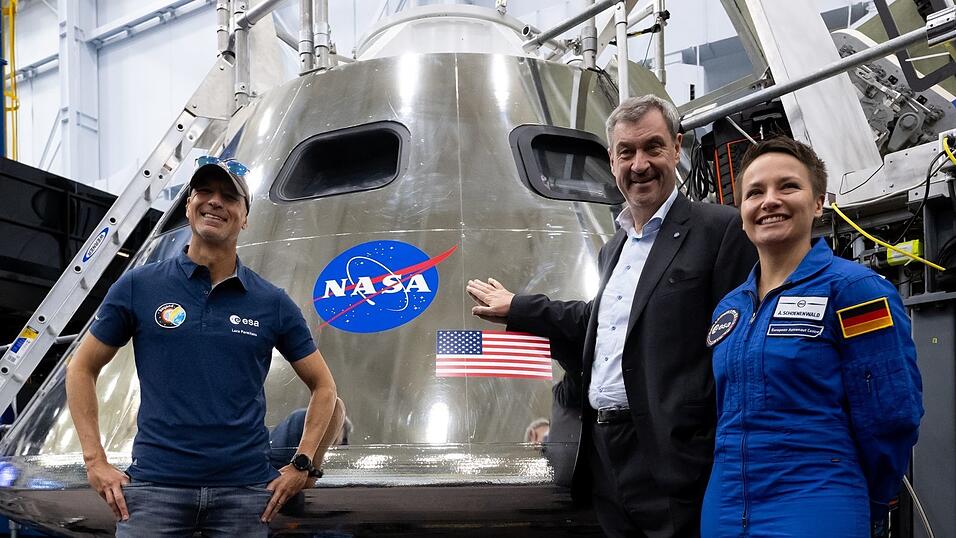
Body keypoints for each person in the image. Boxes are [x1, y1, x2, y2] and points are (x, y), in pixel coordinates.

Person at [466, 95, 756, 537]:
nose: (639, 165)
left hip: (676, 463)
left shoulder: (720, 230)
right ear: (611, 160)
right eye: (627, 153)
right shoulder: (614, 248)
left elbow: (740, 353)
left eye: (653, 148)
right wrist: (519, 308)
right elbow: (599, 327)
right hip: (606, 457)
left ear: (677, 148)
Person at [66, 156, 338, 537]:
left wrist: (302, 464)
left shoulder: (271, 302)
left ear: (244, 218)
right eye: (204, 192)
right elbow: (80, 368)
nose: (214, 201)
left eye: (229, 197)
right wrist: (95, 461)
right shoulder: (138, 287)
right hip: (155, 492)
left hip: (243, 498)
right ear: (189, 204)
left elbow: (324, 387)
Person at [700, 137, 923, 537]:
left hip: (817, 501)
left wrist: (870, 499)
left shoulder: (856, 291)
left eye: (788, 186)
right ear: (741, 212)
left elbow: (891, 415)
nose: (769, 201)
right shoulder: (729, 309)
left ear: (818, 202)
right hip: (726, 508)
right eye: (755, 192)